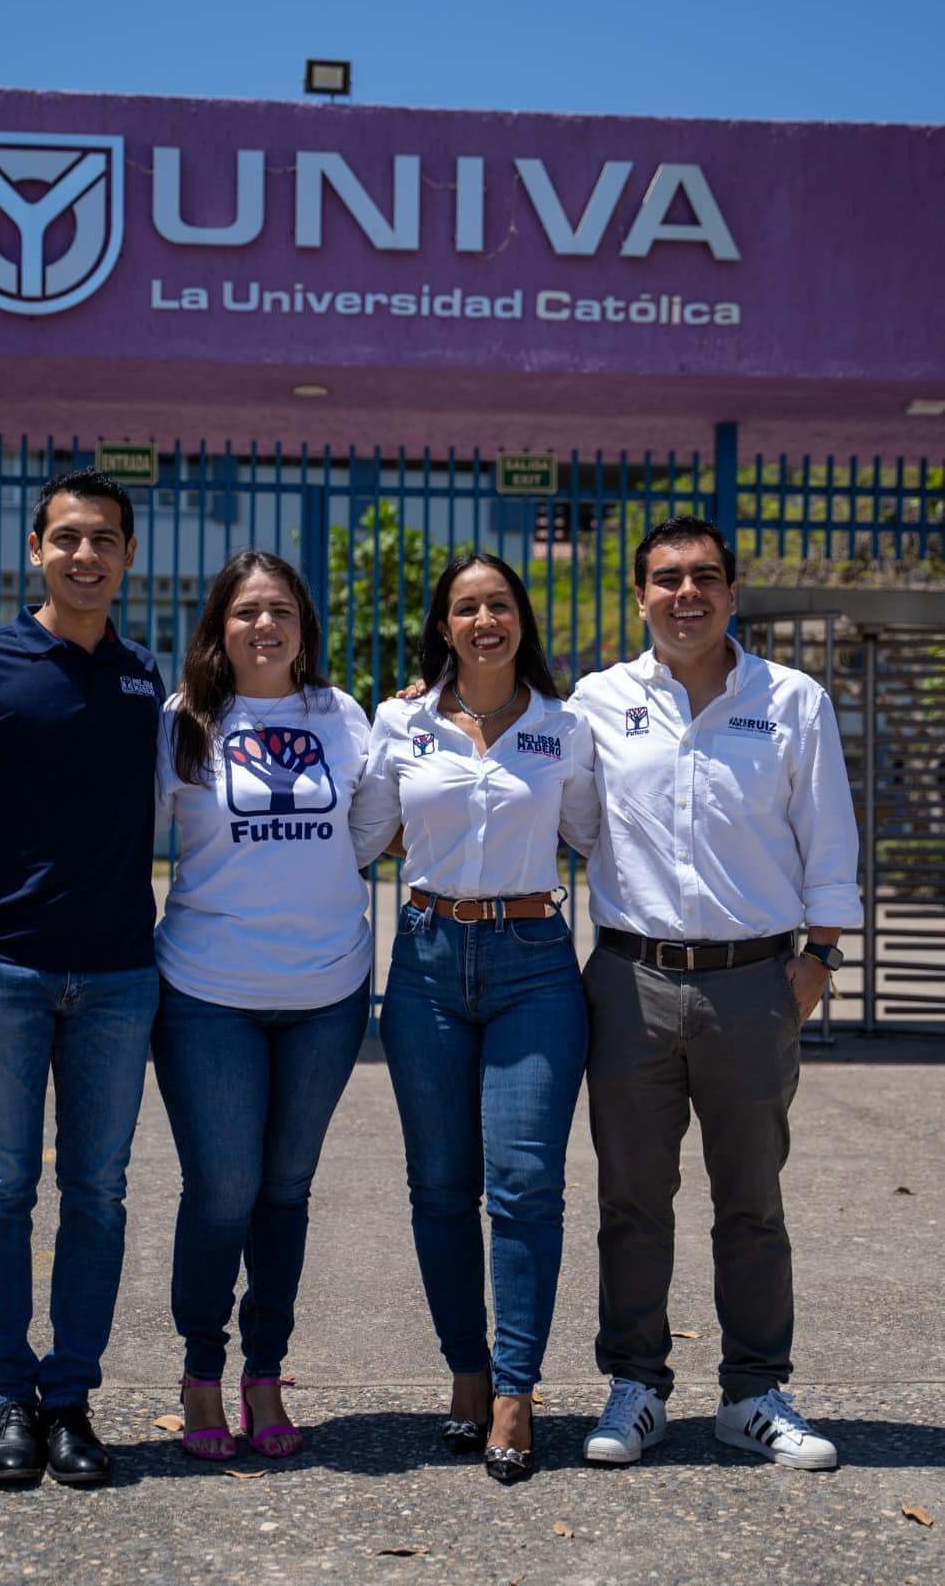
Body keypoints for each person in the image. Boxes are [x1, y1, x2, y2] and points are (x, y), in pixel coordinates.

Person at [574, 516, 862, 1470]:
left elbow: (828, 835)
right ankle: (635, 1387)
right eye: (667, 578)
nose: (685, 594)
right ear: (640, 597)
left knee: (752, 1200)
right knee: (631, 1200)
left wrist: (820, 956)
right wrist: (435, 700)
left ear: (733, 594)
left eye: (704, 577)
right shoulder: (596, 702)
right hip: (631, 982)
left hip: (753, 984)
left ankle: (753, 1393)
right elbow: (529, 777)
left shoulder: (792, 701)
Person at [0, 467, 164, 1486]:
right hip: (5, 971)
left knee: (98, 1192)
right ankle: (5, 1399)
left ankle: (70, 1401)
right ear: (36, 549)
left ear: (128, 555)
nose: (84, 555)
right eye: (67, 538)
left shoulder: (143, 678)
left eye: (103, 539)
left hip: (119, 977)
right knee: (2, 1189)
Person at [350, 553, 598, 1484]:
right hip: (425, 961)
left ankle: (515, 1390)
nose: (484, 620)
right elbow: (362, 834)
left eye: (499, 605)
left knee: (526, 1185)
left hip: (535, 964)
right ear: (443, 626)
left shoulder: (564, 727)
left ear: (520, 620)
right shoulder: (400, 722)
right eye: (466, 607)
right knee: (440, 1187)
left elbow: (597, 835)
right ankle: (466, 1369)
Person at [151, 550, 373, 1461]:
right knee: (223, 1191)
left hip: (327, 992)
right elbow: (131, 836)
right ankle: (202, 1371)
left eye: (280, 609)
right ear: (220, 626)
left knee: (285, 1191)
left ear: (303, 626)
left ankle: (266, 1372)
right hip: (209, 993)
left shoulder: (343, 716)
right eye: (246, 611)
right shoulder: (183, 721)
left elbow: (371, 830)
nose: (265, 625)